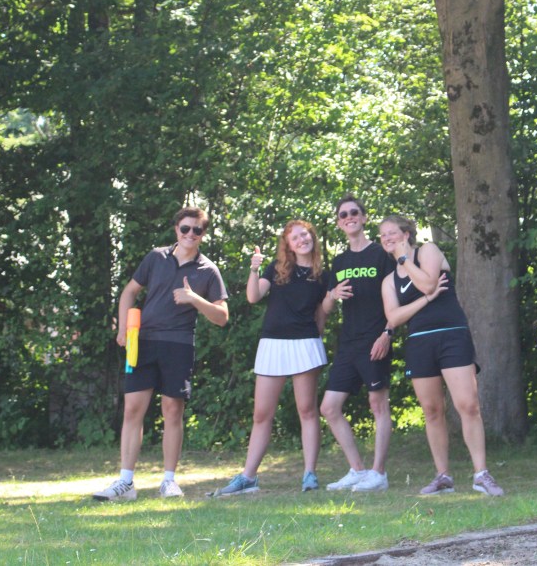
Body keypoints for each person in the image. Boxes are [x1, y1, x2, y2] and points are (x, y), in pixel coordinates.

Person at [92, 206, 229, 501]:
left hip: (179, 345)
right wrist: (123, 328)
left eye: (197, 230)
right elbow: (129, 292)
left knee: (172, 410)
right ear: (176, 229)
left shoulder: (208, 270)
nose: (190, 234)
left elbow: (222, 317)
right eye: (185, 228)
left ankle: (169, 481)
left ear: (203, 234)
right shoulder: (156, 257)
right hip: (142, 342)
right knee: (132, 409)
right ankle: (125, 483)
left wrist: (194, 299)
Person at [378, 214, 504, 497]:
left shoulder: (427, 251)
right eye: (382, 235)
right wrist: (426, 300)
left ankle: (481, 474)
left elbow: (428, 283)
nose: (386, 238)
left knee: (468, 405)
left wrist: (404, 260)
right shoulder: (389, 281)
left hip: (452, 336)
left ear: (406, 234)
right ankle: (443, 476)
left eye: (392, 233)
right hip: (420, 343)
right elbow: (394, 317)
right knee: (432, 411)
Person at [212, 219, 332, 496]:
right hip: (272, 344)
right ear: (288, 245)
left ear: (312, 237)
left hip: (305, 344)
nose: (302, 240)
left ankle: (310, 474)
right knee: (261, 414)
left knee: (307, 410)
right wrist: (254, 268)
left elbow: (323, 314)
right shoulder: (276, 268)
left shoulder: (323, 275)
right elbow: (253, 297)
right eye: (295, 237)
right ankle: (248, 477)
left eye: (305, 234)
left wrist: (319, 331)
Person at [319, 195, 396, 492]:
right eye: (343, 215)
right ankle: (358, 470)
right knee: (329, 407)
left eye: (354, 212)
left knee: (378, 404)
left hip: (376, 338)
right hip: (348, 343)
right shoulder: (339, 261)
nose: (349, 217)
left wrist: (387, 333)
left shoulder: (381, 254)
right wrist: (332, 294)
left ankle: (379, 473)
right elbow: (326, 308)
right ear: (339, 223)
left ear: (364, 218)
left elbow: (396, 297)